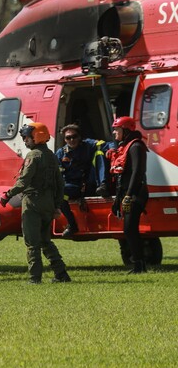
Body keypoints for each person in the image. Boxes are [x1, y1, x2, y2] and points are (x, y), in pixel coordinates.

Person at [0, 122, 71, 284]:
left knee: (32, 243)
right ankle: (61, 274)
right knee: (46, 240)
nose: (25, 141)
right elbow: (60, 184)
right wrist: (57, 205)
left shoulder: (33, 156)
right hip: (48, 203)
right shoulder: (52, 156)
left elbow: (24, 181)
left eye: (27, 137)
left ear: (35, 137)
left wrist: (7, 195)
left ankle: (34, 278)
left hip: (32, 202)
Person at [108, 116, 149, 274]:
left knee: (130, 229)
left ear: (125, 130)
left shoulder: (136, 146)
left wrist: (129, 195)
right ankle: (139, 263)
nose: (114, 132)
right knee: (129, 230)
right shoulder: (123, 146)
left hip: (136, 193)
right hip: (126, 192)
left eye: (116, 129)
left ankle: (139, 264)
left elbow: (138, 172)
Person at [56, 124, 111, 237]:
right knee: (60, 195)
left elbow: (106, 144)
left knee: (99, 152)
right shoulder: (60, 153)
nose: (71, 140)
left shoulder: (88, 145)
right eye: (68, 138)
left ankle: (104, 185)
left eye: (74, 136)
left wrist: (112, 149)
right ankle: (72, 225)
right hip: (72, 188)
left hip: (90, 184)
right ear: (64, 139)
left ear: (79, 137)